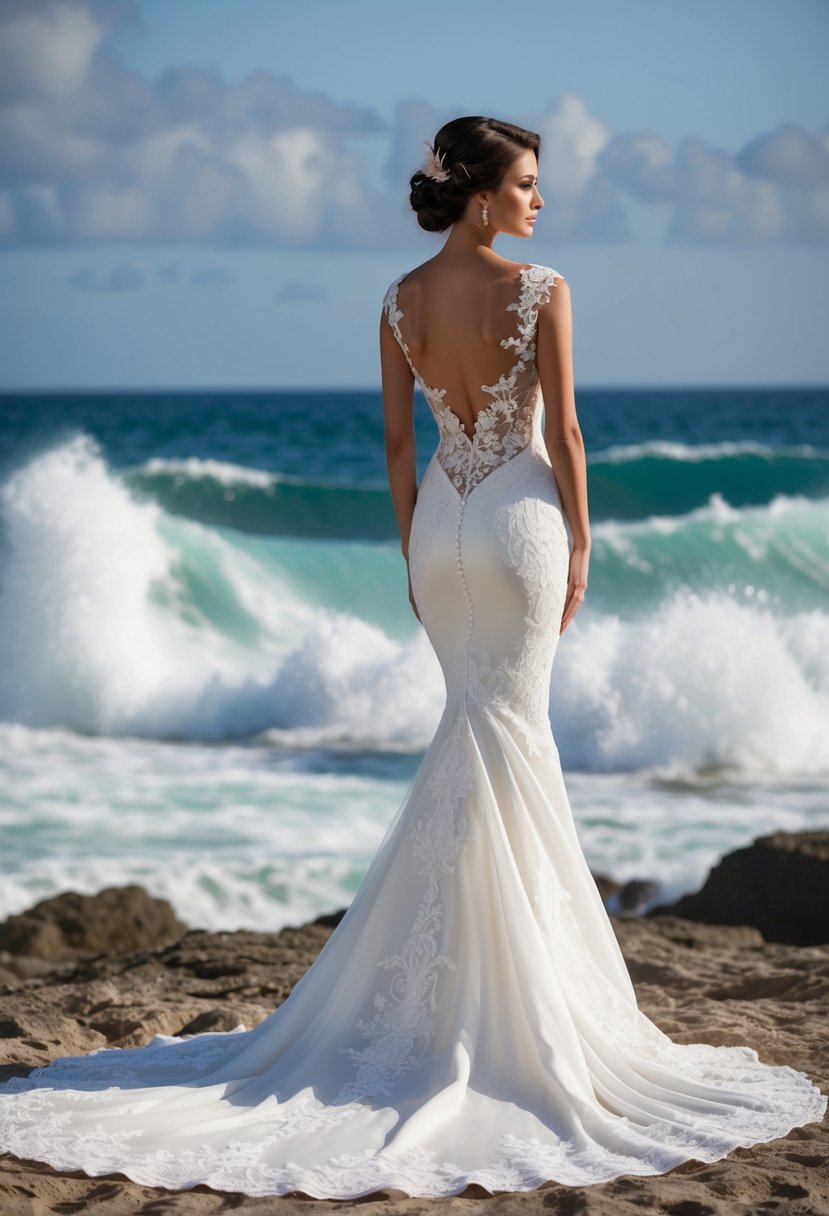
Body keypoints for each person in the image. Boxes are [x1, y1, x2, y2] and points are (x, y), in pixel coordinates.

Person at [0, 115, 825, 1203]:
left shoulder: (395, 300)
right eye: (529, 183)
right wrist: (581, 541)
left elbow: (397, 444)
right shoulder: (544, 290)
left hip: (441, 521)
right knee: (512, 737)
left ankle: (450, 989)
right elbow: (565, 436)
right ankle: (507, 1001)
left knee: (474, 737)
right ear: (482, 194)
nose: (540, 201)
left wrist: (413, 549)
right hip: (520, 518)